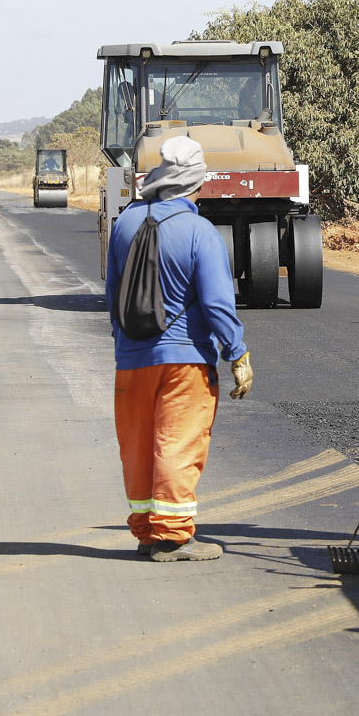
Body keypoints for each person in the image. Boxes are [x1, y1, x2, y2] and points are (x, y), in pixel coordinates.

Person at [104, 135, 254, 562]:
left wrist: (125, 346)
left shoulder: (124, 224)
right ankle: (172, 538)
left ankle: (146, 532)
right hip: (185, 362)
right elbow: (217, 305)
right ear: (197, 183)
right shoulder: (199, 232)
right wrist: (237, 353)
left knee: (137, 447)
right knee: (177, 444)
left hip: (131, 360)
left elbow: (113, 295)